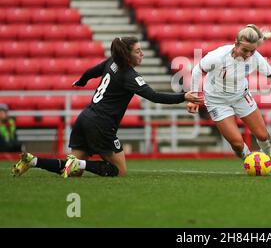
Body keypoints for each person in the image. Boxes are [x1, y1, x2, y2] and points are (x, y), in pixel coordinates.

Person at [12, 36, 203, 178]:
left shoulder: (112, 62)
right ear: (127, 55)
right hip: (101, 124)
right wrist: (183, 96)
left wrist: (81, 80)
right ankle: (77, 162)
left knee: (73, 171)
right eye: (138, 51)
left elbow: (92, 72)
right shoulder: (130, 76)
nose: (142, 53)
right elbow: (153, 96)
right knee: (119, 171)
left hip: (85, 118)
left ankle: (32, 160)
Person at [187, 24, 271, 173]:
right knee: (237, 144)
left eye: (252, 51)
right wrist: (194, 95)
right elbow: (197, 70)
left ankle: (268, 155)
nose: (248, 55)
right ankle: (251, 161)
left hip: (241, 96)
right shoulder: (218, 56)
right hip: (216, 101)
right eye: (245, 50)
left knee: (263, 136)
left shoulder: (255, 57)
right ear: (236, 43)